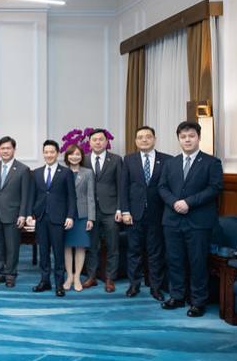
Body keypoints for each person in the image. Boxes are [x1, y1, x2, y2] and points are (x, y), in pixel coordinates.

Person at [159, 121, 223, 317]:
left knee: (197, 262)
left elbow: (214, 188)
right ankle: (177, 296)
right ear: (178, 139)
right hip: (172, 220)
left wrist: (188, 202)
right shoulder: (171, 163)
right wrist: (174, 202)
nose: (187, 140)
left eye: (191, 136)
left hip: (199, 222)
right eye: (183, 137)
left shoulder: (212, 162)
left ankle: (198, 301)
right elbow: (162, 187)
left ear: (198, 137)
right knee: (174, 260)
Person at [121, 126, 172, 301]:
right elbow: (124, 188)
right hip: (134, 214)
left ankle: (155, 287)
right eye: (140, 137)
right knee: (133, 251)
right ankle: (134, 285)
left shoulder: (167, 160)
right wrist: (125, 210)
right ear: (136, 141)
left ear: (154, 139)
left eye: (148, 137)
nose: (144, 140)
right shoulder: (128, 160)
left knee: (156, 253)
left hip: (157, 215)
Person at [29, 139, 76, 297]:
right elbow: (32, 196)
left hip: (58, 218)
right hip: (41, 217)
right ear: (43, 153)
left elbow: (71, 197)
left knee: (58, 252)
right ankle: (44, 281)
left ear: (57, 153)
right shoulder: (36, 172)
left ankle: (59, 284)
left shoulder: (66, 172)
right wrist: (30, 214)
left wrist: (70, 216)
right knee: (43, 252)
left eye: (52, 152)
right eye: (46, 152)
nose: (49, 154)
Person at [0, 136, 31, 288]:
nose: (5, 151)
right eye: (2, 148)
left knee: (12, 247)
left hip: (13, 214)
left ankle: (11, 274)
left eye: (8, 148)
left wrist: (23, 214)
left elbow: (26, 194)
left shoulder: (23, 169)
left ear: (14, 150)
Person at [83, 128, 123, 292]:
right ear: (89, 143)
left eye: (101, 139)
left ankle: (110, 279)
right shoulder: (83, 159)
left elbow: (121, 186)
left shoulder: (116, 159)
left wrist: (120, 209)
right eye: (94, 140)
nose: (98, 142)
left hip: (111, 210)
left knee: (113, 246)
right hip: (90, 211)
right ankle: (91, 276)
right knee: (92, 246)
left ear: (106, 142)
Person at [62, 144, 95, 292]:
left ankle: (77, 277)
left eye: (77, 154)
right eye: (71, 154)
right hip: (66, 215)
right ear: (67, 156)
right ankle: (69, 276)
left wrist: (91, 218)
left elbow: (90, 196)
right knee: (67, 246)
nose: (75, 157)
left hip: (82, 214)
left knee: (80, 246)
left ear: (82, 156)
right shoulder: (62, 172)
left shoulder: (88, 173)